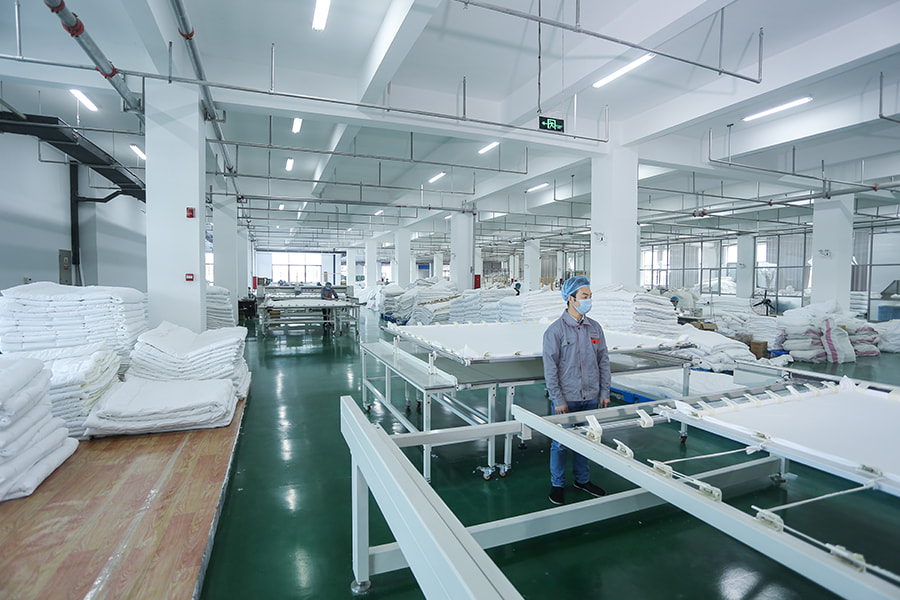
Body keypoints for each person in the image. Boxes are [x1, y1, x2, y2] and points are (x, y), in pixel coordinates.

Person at [542, 275, 611, 505]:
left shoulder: (595, 328)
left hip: (591, 396)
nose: (588, 300)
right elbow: (550, 369)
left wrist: (604, 392)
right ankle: (557, 484)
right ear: (571, 298)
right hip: (567, 398)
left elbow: (603, 362)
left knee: (586, 440)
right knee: (561, 443)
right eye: (584, 296)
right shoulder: (555, 331)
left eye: (590, 296)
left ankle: (582, 480)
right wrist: (557, 398)